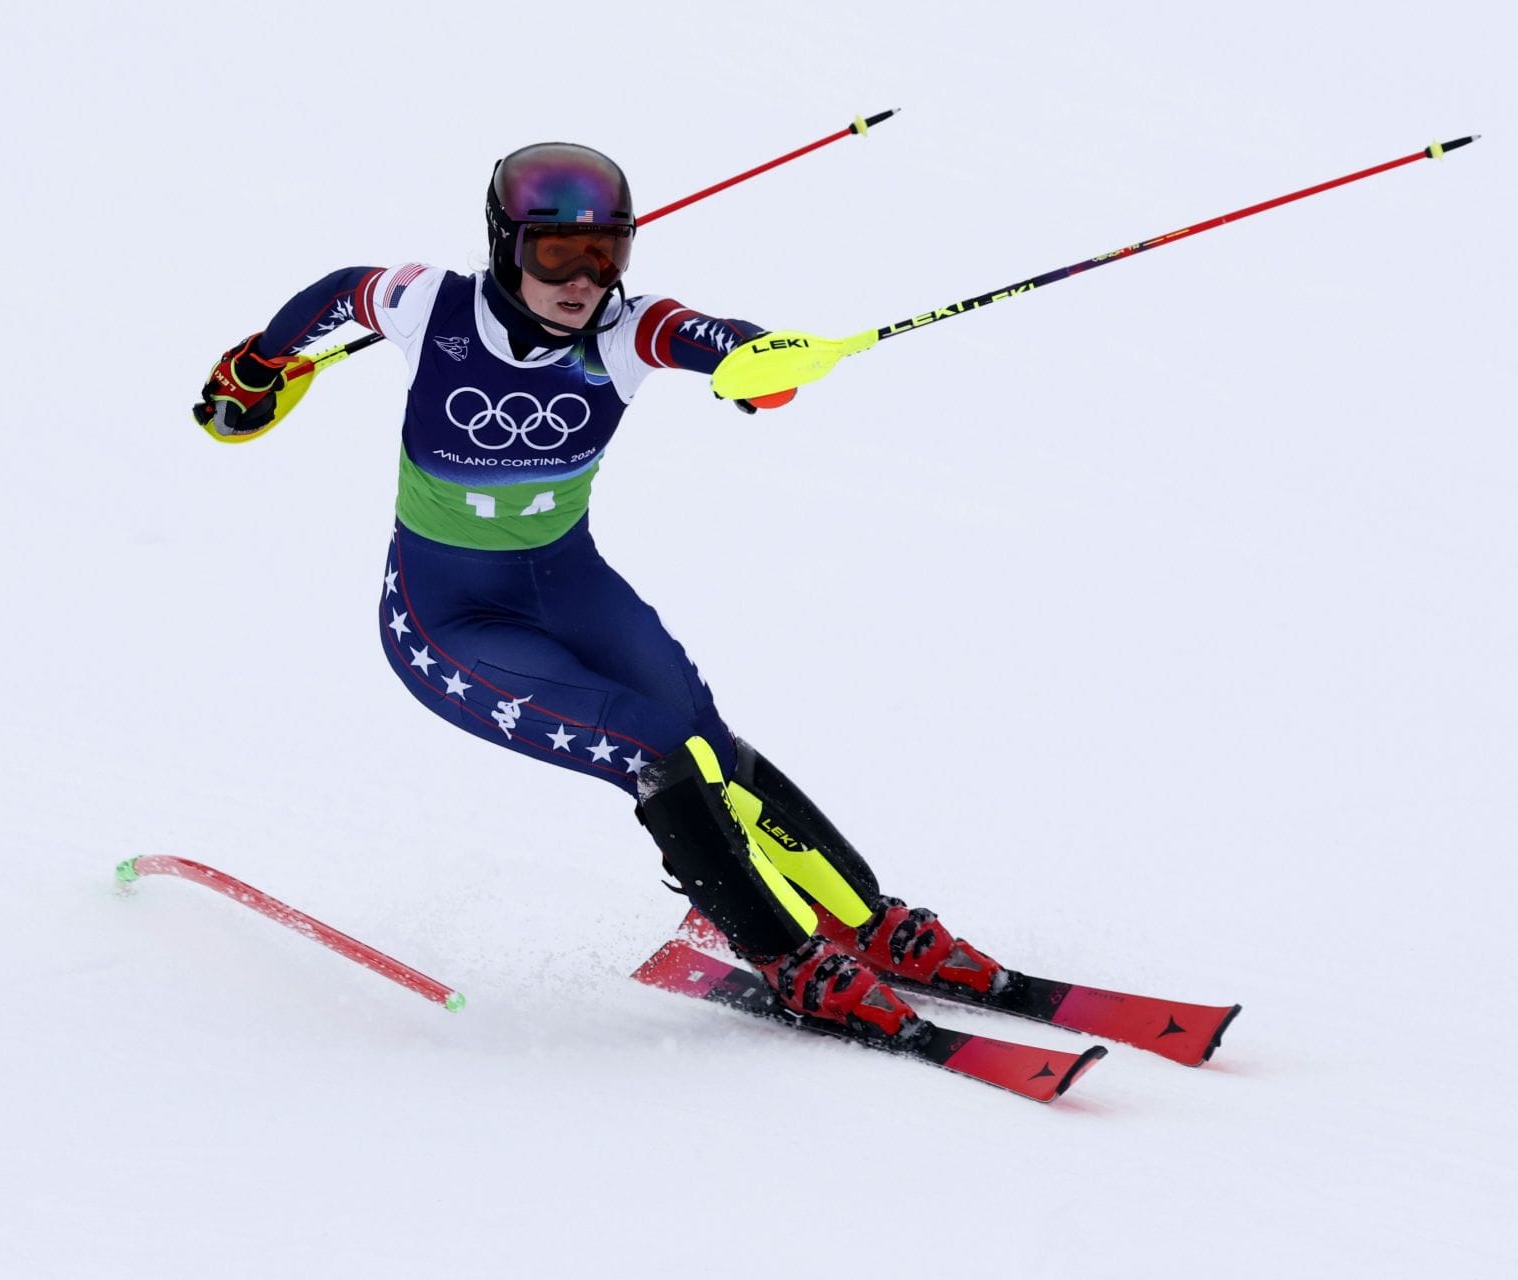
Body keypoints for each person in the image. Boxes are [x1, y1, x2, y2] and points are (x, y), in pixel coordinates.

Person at [194, 142, 1005, 1041]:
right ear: (505, 245)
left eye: (607, 253)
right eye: (556, 254)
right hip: (448, 617)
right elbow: (343, 289)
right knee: (656, 745)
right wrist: (262, 362)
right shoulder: (432, 306)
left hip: (566, 581)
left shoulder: (627, 328)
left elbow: (710, 339)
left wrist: (761, 363)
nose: (584, 280)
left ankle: (866, 920)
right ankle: (791, 964)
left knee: (704, 741)